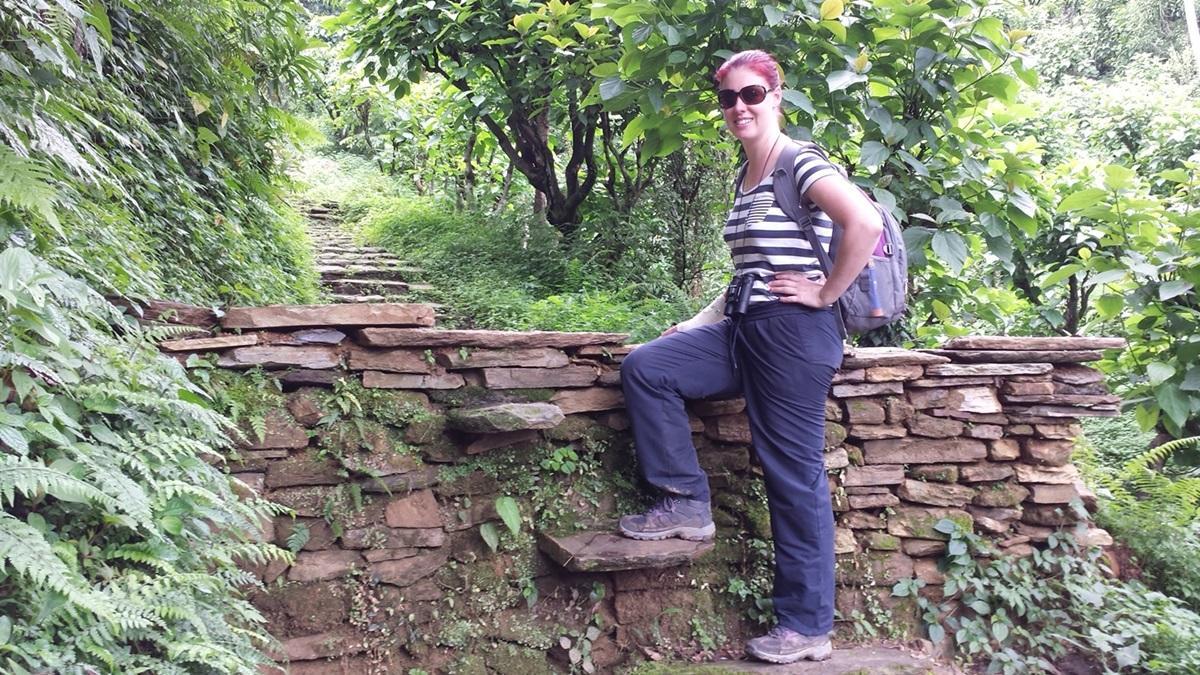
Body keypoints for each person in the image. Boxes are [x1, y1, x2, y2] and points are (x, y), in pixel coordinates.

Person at [616, 49, 883, 664]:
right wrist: (697, 324)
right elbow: (751, 271)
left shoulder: (798, 161)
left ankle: (807, 626)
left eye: (752, 94)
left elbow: (864, 224)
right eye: (729, 98)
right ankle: (686, 502)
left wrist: (825, 293)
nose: (739, 106)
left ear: (776, 95)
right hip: (743, 329)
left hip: (794, 334)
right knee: (649, 367)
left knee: (791, 474)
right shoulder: (747, 175)